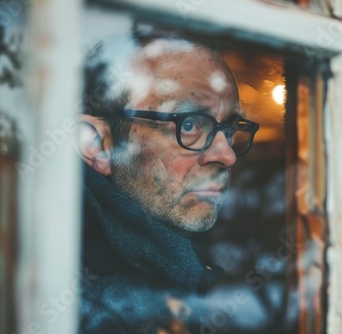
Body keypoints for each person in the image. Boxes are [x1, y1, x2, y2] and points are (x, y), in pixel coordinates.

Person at [77, 25, 259, 333]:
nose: (226, 155)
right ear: (97, 146)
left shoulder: (170, 270)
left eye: (228, 129)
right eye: (189, 124)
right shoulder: (87, 306)